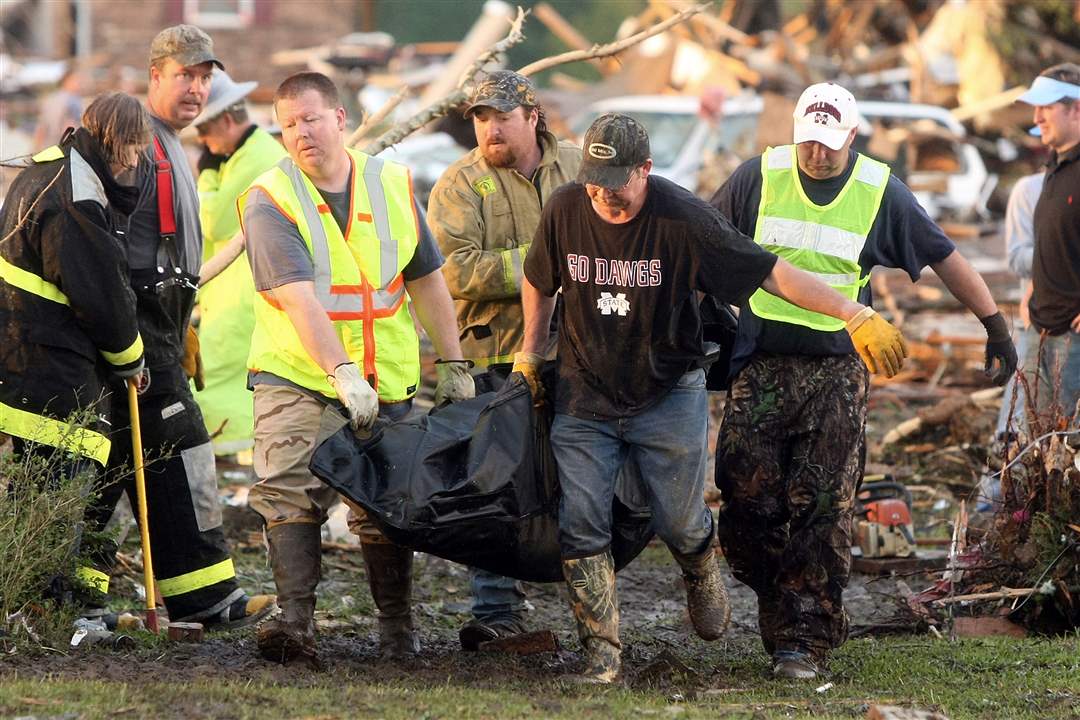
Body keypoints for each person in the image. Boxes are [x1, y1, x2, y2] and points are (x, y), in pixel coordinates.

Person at [518, 112, 908, 684]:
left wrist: (852, 312)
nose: (605, 194)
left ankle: (699, 565)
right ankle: (600, 655)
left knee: (677, 521)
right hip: (586, 394)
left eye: (618, 181)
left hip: (667, 391)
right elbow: (538, 276)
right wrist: (531, 352)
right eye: (595, 179)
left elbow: (772, 274)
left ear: (646, 170)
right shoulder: (565, 208)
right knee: (581, 521)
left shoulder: (685, 219)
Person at [709, 82, 1017, 680]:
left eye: (829, 144)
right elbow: (705, 245)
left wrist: (994, 324)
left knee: (822, 506)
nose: (817, 155)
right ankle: (780, 600)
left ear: (851, 136)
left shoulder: (879, 191)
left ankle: (806, 637)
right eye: (808, 142)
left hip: (837, 371)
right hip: (762, 363)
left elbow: (945, 254)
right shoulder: (758, 177)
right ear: (793, 130)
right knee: (746, 503)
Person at [241, 71, 474, 664]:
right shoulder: (270, 198)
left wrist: (452, 361)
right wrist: (341, 372)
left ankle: (398, 630)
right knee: (289, 492)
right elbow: (298, 297)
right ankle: (295, 625)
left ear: (341, 119)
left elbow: (426, 279)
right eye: (288, 124)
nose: (301, 134)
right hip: (296, 372)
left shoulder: (390, 183)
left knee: (383, 505)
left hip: (386, 376)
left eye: (311, 119)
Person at [92, 25, 275, 631]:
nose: (198, 89)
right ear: (155, 76)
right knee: (180, 456)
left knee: (145, 465)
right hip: (134, 336)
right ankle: (199, 599)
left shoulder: (174, 144)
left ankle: (194, 597)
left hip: (163, 330)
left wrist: (181, 323)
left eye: (204, 78)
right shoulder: (135, 144)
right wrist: (135, 339)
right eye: (185, 76)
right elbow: (107, 249)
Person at [427, 70, 580, 651]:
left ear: (532, 116)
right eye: (479, 117)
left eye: (501, 116)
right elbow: (453, 271)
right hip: (494, 357)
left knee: (578, 475)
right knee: (494, 482)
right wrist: (544, 264)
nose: (489, 128)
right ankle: (495, 610)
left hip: (578, 355)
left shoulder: (577, 166)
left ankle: (591, 603)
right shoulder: (460, 184)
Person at [1, 93, 148, 602]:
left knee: (33, 492)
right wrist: (132, 360)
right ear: (115, 141)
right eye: (131, 148)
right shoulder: (77, 196)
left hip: (23, 362)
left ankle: (37, 597)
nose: (133, 162)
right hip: (53, 369)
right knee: (58, 496)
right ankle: (47, 605)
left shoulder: (46, 172)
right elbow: (101, 296)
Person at [191, 67, 287, 458]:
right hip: (232, 291)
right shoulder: (246, 153)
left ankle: (229, 458)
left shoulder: (257, 158)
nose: (203, 143)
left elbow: (214, 222)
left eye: (204, 132)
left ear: (227, 120)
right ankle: (236, 459)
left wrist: (206, 178)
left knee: (217, 377)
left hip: (243, 295)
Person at [1016, 64, 1080, 428]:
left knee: (1070, 445)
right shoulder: (1055, 167)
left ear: (1077, 109)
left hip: (1073, 343)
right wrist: (1032, 288)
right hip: (1038, 330)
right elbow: (1056, 244)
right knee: (1036, 440)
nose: (1037, 116)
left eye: (1047, 107)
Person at [31, 65, 84, 150]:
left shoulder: (51, 99)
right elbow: (71, 125)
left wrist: (35, 149)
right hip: (64, 148)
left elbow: (41, 128)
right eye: (77, 80)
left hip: (48, 147)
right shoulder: (72, 100)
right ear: (67, 81)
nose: (80, 84)